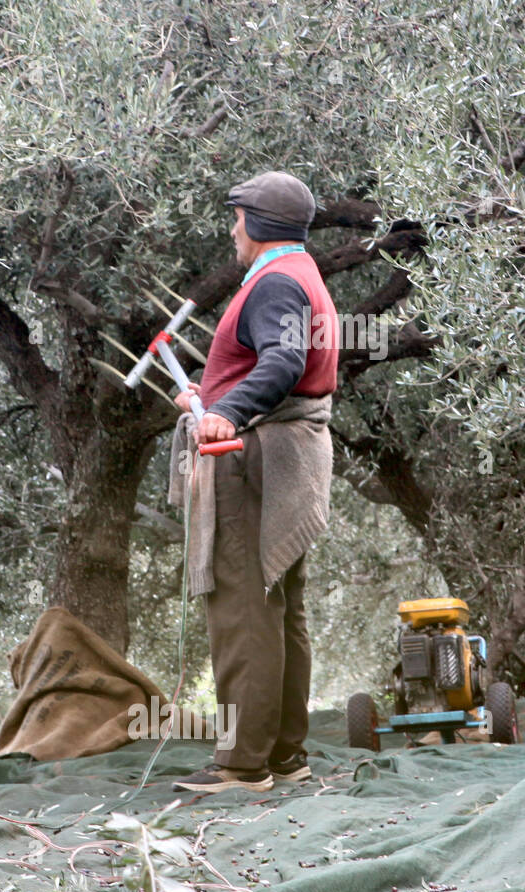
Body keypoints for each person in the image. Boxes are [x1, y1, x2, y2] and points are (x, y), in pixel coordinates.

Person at [168, 171, 338, 794]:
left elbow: (284, 362)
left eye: (238, 216)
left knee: (244, 613)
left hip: (255, 461)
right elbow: (280, 359)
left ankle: (243, 765)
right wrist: (206, 395)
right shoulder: (302, 275)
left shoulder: (273, 282)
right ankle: (285, 755)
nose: (233, 228)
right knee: (280, 610)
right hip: (290, 458)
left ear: (259, 224)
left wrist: (224, 413)